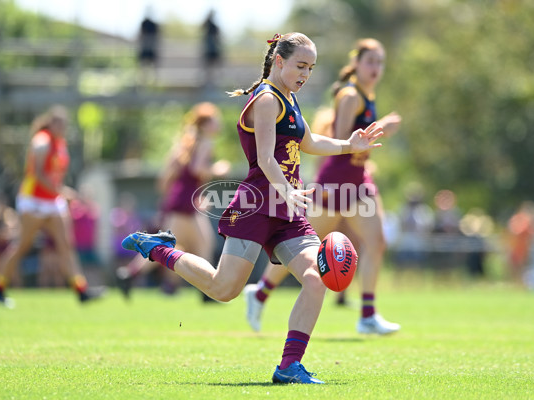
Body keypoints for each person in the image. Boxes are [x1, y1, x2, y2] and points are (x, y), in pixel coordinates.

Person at [121, 32, 384, 384]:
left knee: (315, 278)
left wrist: (347, 144)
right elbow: (264, 158)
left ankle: (289, 366)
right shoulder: (266, 100)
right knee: (223, 289)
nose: (305, 74)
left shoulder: (290, 99)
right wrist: (288, 192)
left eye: (311, 68)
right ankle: (161, 250)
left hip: (287, 209)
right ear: (279, 61)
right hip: (257, 204)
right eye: (300, 66)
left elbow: (308, 141)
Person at [243, 38, 402, 335]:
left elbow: (356, 146)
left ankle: (367, 314)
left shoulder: (367, 93)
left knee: (377, 241)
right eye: (370, 61)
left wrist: (367, 154)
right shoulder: (351, 95)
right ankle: (260, 292)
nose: (376, 68)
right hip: (335, 183)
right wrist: (382, 127)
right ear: (356, 64)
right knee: (297, 247)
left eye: (380, 63)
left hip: (358, 180)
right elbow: (342, 136)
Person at [0, 105, 104, 307]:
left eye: (64, 124)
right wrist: (62, 191)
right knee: (22, 245)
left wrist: (59, 192)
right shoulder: (42, 140)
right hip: (33, 200)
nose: (61, 127)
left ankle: (81, 290)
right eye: (58, 123)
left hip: (52, 200)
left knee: (66, 245)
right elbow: (38, 174)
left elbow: (54, 174)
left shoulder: (60, 143)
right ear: (51, 124)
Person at [116, 102, 229, 299]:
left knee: (172, 246)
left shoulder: (186, 142)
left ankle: (133, 275)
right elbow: (197, 170)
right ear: (205, 124)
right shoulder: (205, 142)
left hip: (179, 202)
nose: (218, 125)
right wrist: (217, 169)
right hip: (185, 205)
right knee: (198, 245)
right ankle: (204, 292)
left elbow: (167, 179)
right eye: (215, 121)